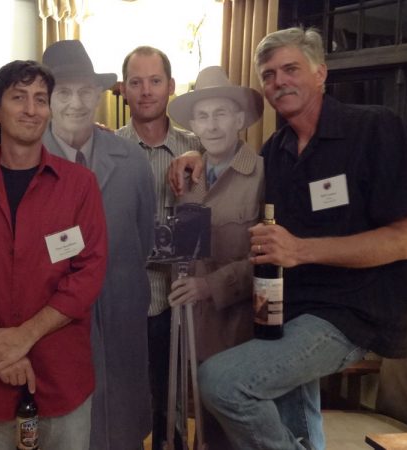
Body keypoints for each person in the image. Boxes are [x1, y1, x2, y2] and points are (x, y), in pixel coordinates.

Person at [171, 27, 407, 450]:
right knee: (297, 426)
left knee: (220, 381)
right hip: (282, 314)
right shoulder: (276, 151)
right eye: (268, 75)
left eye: (290, 69)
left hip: (348, 314)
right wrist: (199, 153)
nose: (279, 81)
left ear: (320, 73)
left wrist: (300, 250)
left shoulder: (375, 128)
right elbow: (234, 164)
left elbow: (404, 240)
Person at [0, 60, 108, 450]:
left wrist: (23, 337)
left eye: (40, 99)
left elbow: (88, 273)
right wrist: (2, 347)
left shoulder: (80, 185)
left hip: (64, 378)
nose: (31, 109)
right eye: (18, 98)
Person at [41, 40, 156, 450]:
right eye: (63, 92)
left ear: (100, 95)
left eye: (85, 90)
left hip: (122, 316)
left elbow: (143, 237)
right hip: (56, 326)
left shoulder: (132, 161)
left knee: (122, 428)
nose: (76, 102)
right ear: (47, 100)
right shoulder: (27, 164)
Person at [165, 65, 264, 450]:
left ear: (239, 119)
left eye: (221, 113)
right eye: (203, 116)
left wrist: (210, 286)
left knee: (236, 435)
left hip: (242, 333)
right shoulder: (186, 177)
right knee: (200, 433)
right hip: (193, 331)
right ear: (193, 125)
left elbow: (271, 259)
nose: (213, 125)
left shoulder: (263, 174)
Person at [117, 45, 203, 450]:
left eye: (154, 81)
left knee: (176, 407)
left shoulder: (200, 148)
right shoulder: (106, 152)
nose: (146, 90)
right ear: (123, 89)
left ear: (170, 86)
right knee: (126, 406)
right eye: (136, 82)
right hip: (124, 300)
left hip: (180, 300)